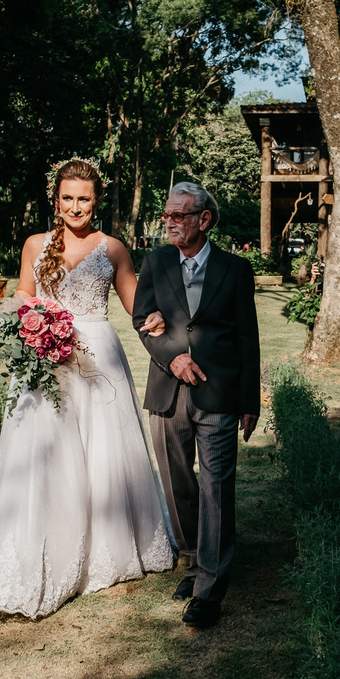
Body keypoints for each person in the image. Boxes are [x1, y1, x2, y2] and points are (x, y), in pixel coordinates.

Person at [0, 158, 175, 619]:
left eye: (83, 198)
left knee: (101, 453)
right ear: (56, 200)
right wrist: (29, 318)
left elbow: (136, 307)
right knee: (45, 450)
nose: (75, 206)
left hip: (98, 357)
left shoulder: (112, 249)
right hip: (44, 356)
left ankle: (102, 549)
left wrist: (157, 317)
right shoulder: (34, 244)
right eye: (67, 198)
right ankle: (44, 542)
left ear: (97, 201)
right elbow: (24, 296)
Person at [133, 182, 261, 629]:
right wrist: (172, 354)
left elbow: (248, 337)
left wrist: (250, 400)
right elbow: (141, 319)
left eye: (178, 216)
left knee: (216, 488)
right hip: (168, 391)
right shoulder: (156, 261)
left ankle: (209, 587)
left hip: (220, 393)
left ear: (204, 219)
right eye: (166, 214)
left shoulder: (235, 268)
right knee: (176, 483)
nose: (168, 222)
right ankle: (193, 559)